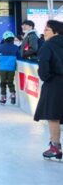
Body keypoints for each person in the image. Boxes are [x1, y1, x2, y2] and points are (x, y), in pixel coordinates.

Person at [36, 20, 63, 160]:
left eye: (47, 29)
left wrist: (46, 77)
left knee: (53, 115)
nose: (44, 32)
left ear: (56, 32)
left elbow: (44, 66)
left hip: (54, 84)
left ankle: (55, 147)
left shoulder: (48, 45)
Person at [0, 31, 19, 105]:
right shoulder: (15, 47)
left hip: (3, 68)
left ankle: (3, 97)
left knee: (3, 82)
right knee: (10, 82)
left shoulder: (0, 47)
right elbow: (19, 57)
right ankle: (13, 94)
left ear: (4, 39)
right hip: (11, 68)